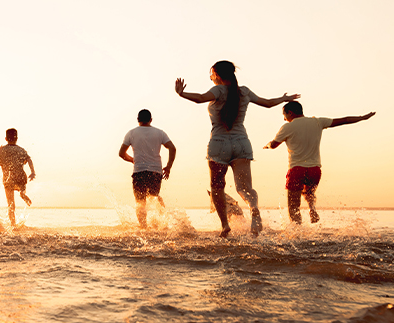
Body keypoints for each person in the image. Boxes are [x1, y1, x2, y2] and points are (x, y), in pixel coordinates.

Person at [175, 60, 299, 237]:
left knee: (217, 186)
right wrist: (284, 99)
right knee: (244, 188)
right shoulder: (244, 91)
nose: (211, 78)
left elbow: (200, 98)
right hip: (241, 143)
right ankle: (253, 208)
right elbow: (268, 103)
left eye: (211, 74)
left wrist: (181, 93)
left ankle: (225, 225)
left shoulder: (217, 90)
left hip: (219, 144)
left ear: (217, 75)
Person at [264, 101, 375, 225]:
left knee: (293, 207)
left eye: (284, 115)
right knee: (308, 193)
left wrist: (267, 146)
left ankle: (297, 235)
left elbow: (274, 145)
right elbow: (344, 120)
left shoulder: (287, 127)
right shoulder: (317, 122)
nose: (284, 119)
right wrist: (362, 118)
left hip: (297, 169)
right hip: (314, 170)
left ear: (290, 113)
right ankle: (312, 209)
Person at [119, 109, 176, 227]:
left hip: (139, 171)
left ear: (137, 120)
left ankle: (144, 228)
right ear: (151, 120)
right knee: (154, 196)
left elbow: (121, 153)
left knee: (140, 201)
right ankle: (164, 221)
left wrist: (132, 160)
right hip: (156, 171)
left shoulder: (131, 133)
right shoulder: (160, 133)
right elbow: (172, 148)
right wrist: (168, 166)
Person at [0, 128, 36, 228]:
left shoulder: (3, 150)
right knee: (22, 190)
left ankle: (13, 225)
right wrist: (32, 172)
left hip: (8, 180)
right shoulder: (21, 150)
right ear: (17, 138)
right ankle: (23, 194)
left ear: (6, 138)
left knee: (11, 204)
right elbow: (29, 160)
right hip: (20, 177)